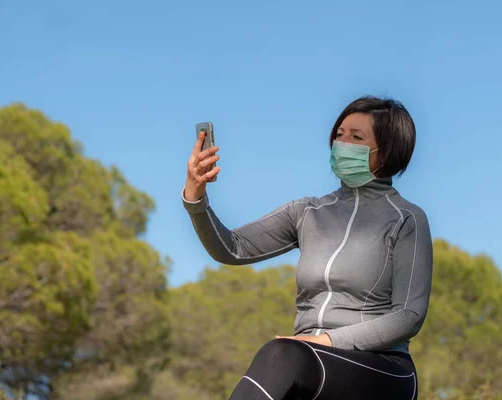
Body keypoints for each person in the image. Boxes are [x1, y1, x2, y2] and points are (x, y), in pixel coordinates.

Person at [182, 96, 433, 400]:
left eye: (356, 137)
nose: (342, 144)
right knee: (287, 360)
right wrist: (196, 198)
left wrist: (326, 341)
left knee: (282, 356)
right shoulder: (308, 212)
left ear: (388, 150)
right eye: (339, 135)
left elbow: (409, 315)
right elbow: (231, 248)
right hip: (308, 360)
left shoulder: (407, 218)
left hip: (383, 369)